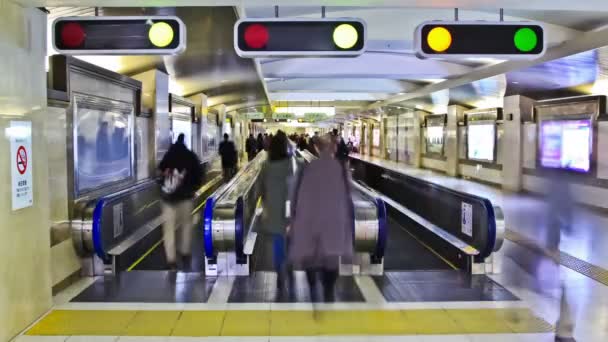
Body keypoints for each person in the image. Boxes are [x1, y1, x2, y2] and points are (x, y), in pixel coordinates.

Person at [289, 134, 353, 302]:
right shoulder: (340, 167)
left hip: (310, 221)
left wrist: (293, 218)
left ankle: (312, 289)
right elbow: (348, 197)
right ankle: (329, 290)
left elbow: (295, 195)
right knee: (331, 257)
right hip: (333, 222)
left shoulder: (306, 168)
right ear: (333, 148)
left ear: (317, 148)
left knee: (311, 256)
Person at [158, 133, 203, 271]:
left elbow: (160, 171)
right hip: (186, 198)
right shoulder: (190, 156)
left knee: (168, 230)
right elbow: (199, 174)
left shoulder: (168, 155)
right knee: (186, 226)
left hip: (168, 199)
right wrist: (194, 188)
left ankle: (171, 260)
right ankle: (184, 252)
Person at [259, 130, 295, 291]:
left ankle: (280, 270)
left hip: (273, 209)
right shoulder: (291, 164)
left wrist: (264, 205)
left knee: (278, 242)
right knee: (291, 240)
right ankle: (291, 265)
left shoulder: (266, 166)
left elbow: (261, 189)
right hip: (290, 208)